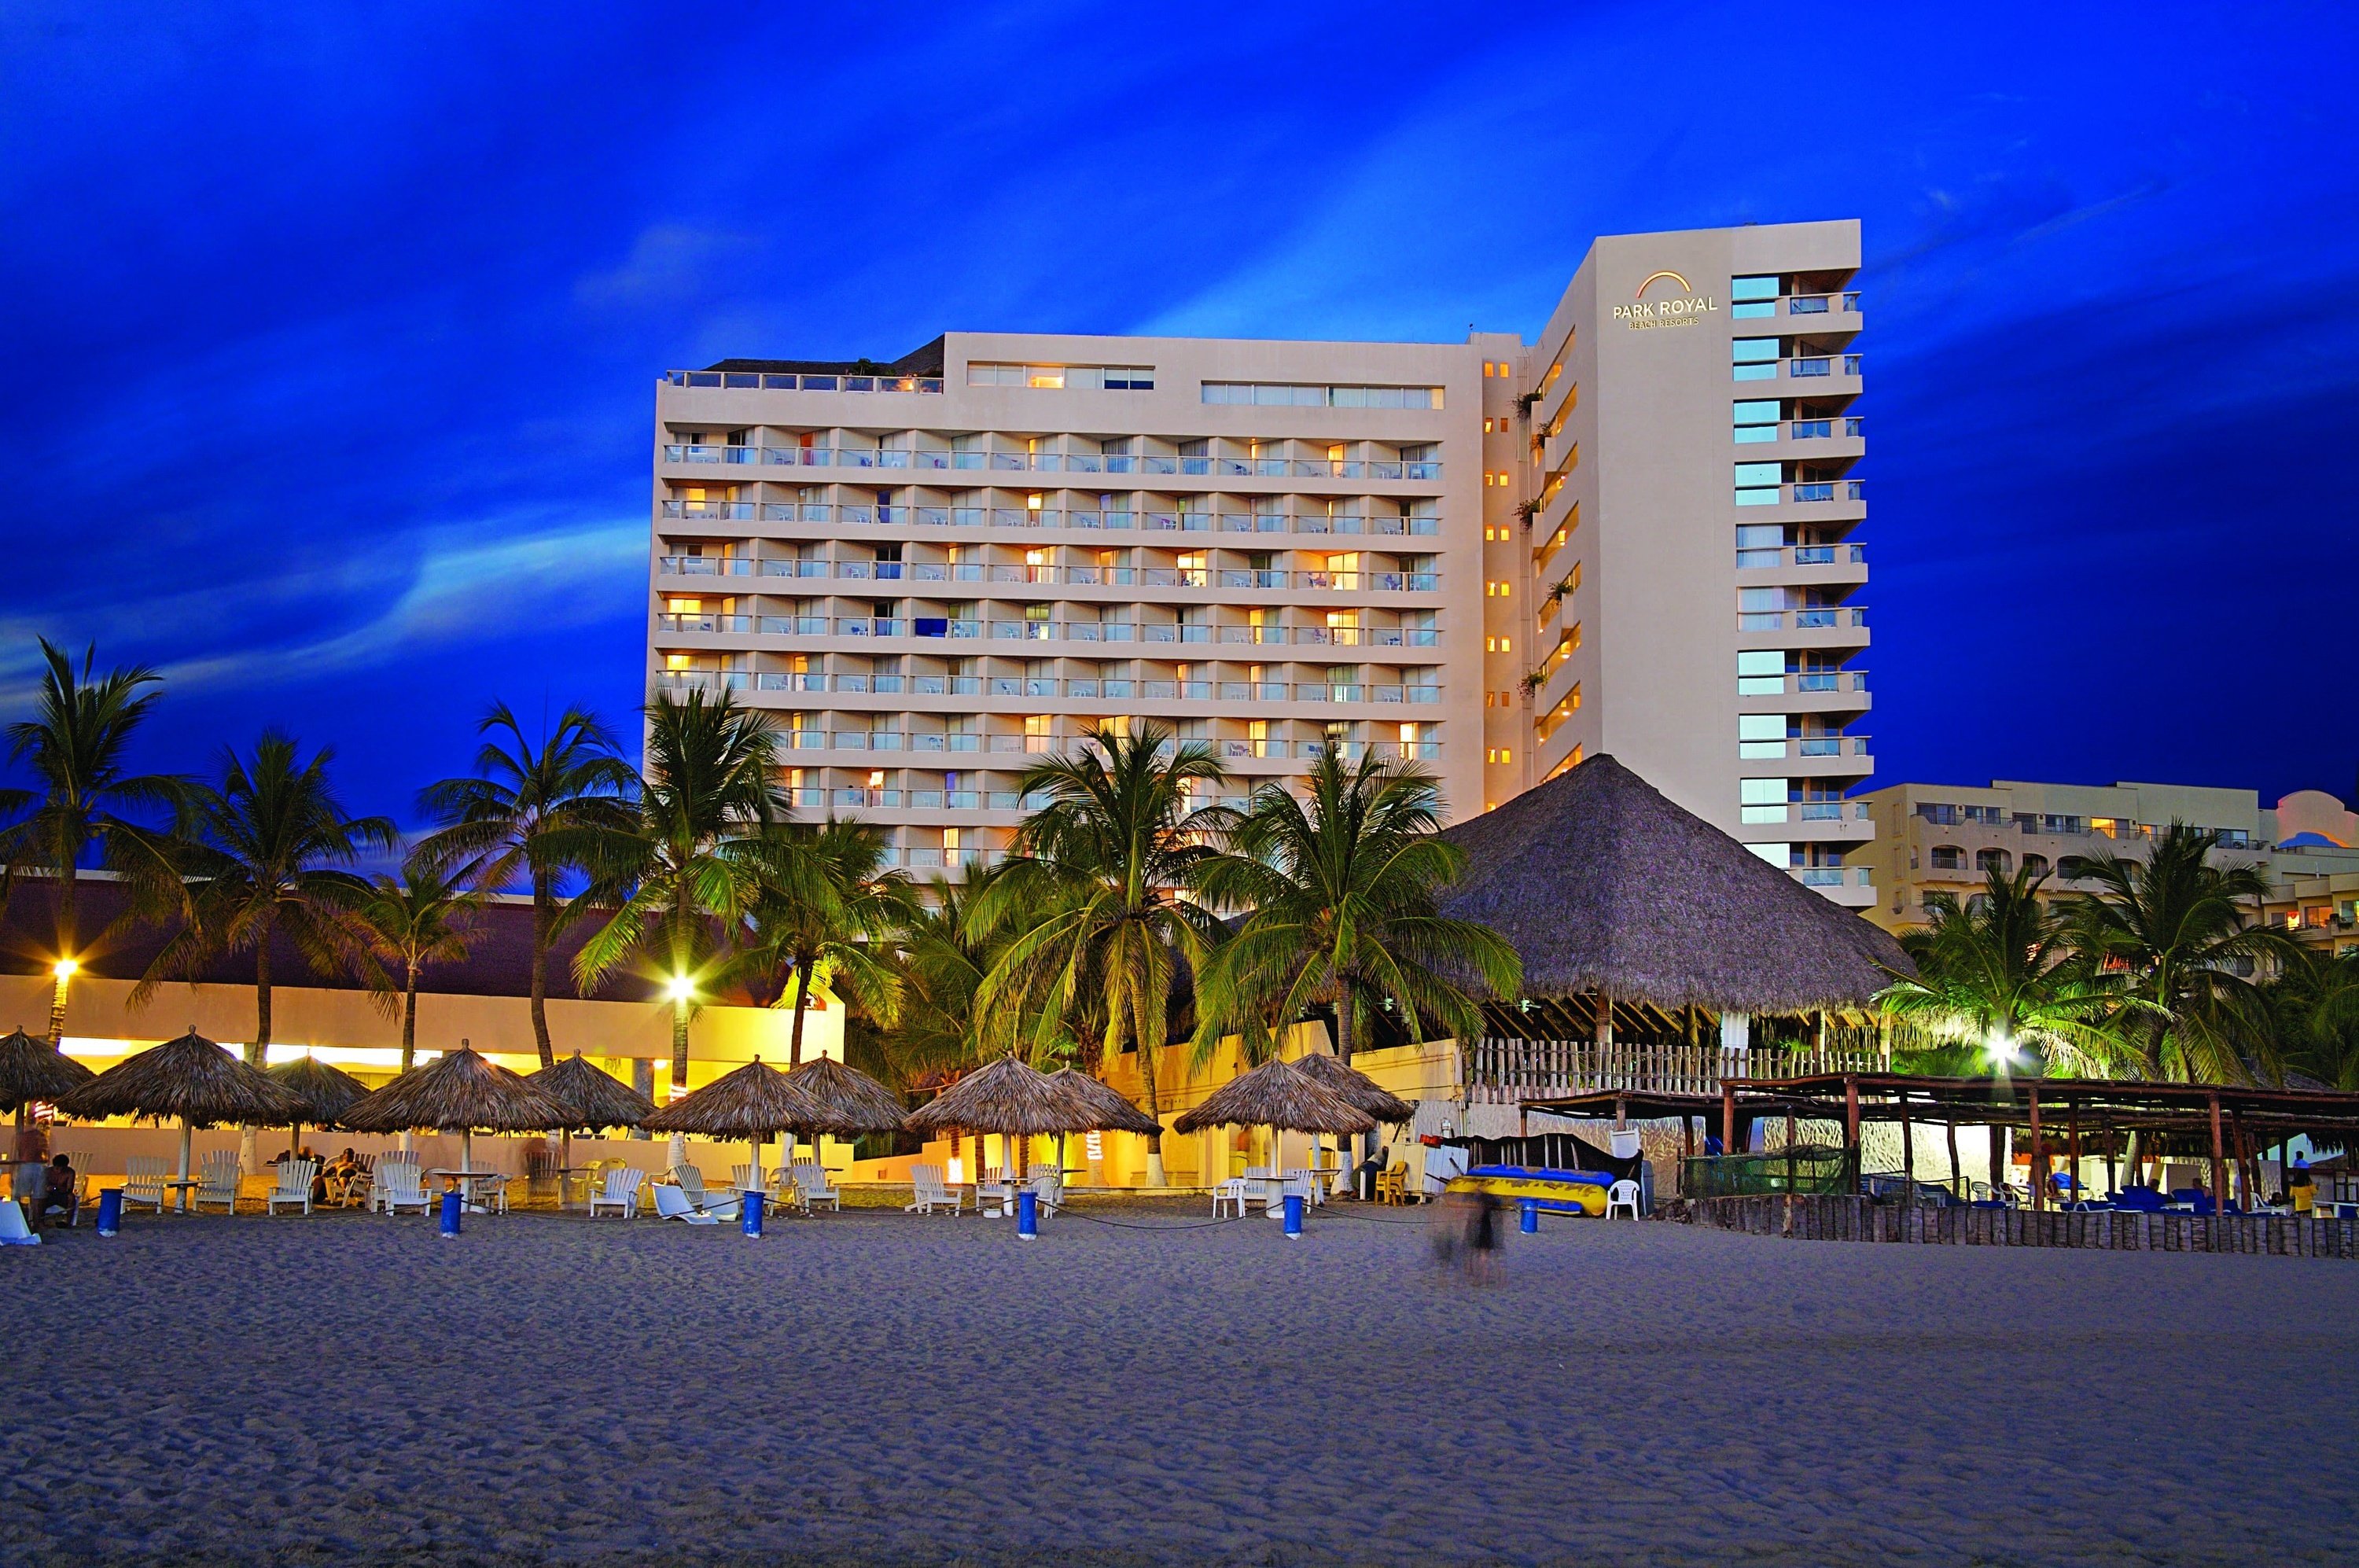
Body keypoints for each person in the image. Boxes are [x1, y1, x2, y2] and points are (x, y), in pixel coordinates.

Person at [37, 1154, 78, 1229]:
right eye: (57, 1168)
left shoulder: (70, 1172)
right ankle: (40, 1222)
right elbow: (41, 1187)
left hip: (62, 1195)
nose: (59, 1171)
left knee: (71, 1197)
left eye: (61, 1169)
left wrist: (57, 1188)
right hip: (48, 1196)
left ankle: (68, 1223)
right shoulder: (47, 1172)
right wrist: (47, 1188)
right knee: (40, 1197)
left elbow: (69, 1189)